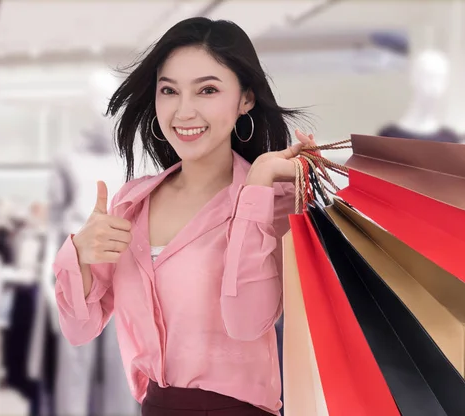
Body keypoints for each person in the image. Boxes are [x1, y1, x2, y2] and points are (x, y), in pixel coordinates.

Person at [52, 17, 316, 416]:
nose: (184, 110)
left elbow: (248, 320)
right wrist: (80, 254)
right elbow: (79, 329)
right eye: (169, 91)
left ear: (245, 98)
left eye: (207, 90)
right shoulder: (131, 204)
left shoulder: (276, 203)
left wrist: (257, 186)